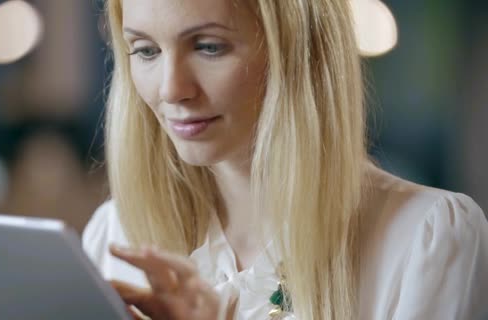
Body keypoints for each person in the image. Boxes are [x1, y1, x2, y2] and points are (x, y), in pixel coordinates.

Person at [82, 0, 488, 319]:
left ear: (298, 51)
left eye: (209, 47)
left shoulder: (427, 238)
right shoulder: (114, 234)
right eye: (146, 50)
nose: (171, 90)